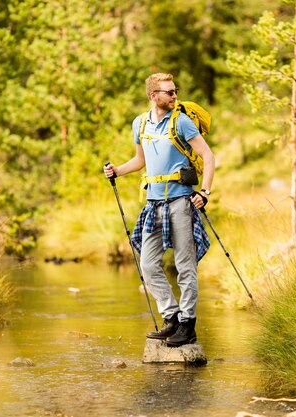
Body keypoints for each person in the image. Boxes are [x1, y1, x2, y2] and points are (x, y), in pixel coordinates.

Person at [103, 73, 215, 347]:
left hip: (181, 202)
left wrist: (205, 192)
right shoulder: (140, 124)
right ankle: (172, 318)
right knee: (148, 264)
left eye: (175, 91)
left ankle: (188, 325)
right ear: (153, 95)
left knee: (185, 265)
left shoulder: (182, 122)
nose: (174, 96)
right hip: (153, 204)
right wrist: (117, 170)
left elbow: (209, 157)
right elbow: (140, 161)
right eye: (168, 92)